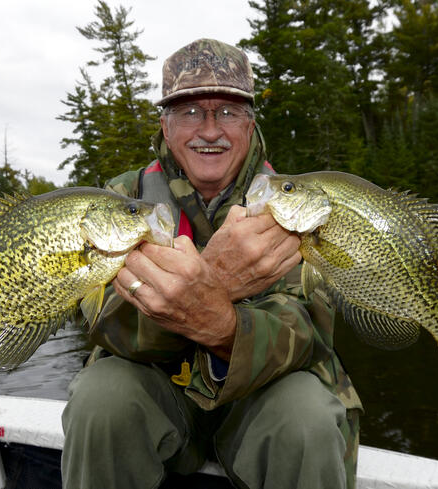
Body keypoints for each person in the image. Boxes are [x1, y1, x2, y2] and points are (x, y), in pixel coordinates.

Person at [61, 38, 363, 489]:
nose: (209, 130)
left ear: (249, 124)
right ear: (165, 127)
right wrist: (214, 281)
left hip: (260, 396)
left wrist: (218, 321)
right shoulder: (121, 201)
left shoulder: (295, 203)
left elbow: (307, 337)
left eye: (227, 111)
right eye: (189, 112)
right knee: (101, 398)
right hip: (159, 393)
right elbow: (104, 322)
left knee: (307, 415)